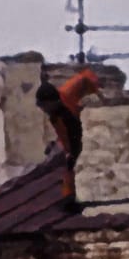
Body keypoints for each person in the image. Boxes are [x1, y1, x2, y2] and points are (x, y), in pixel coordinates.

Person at [35, 67, 101, 202]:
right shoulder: (55, 116)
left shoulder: (68, 92)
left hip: (89, 129)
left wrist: (97, 93)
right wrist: (64, 150)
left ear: (52, 101)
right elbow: (65, 135)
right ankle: (70, 197)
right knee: (71, 164)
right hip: (75, 138)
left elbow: (87, 75)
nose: (43, 109)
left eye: (44, 105)